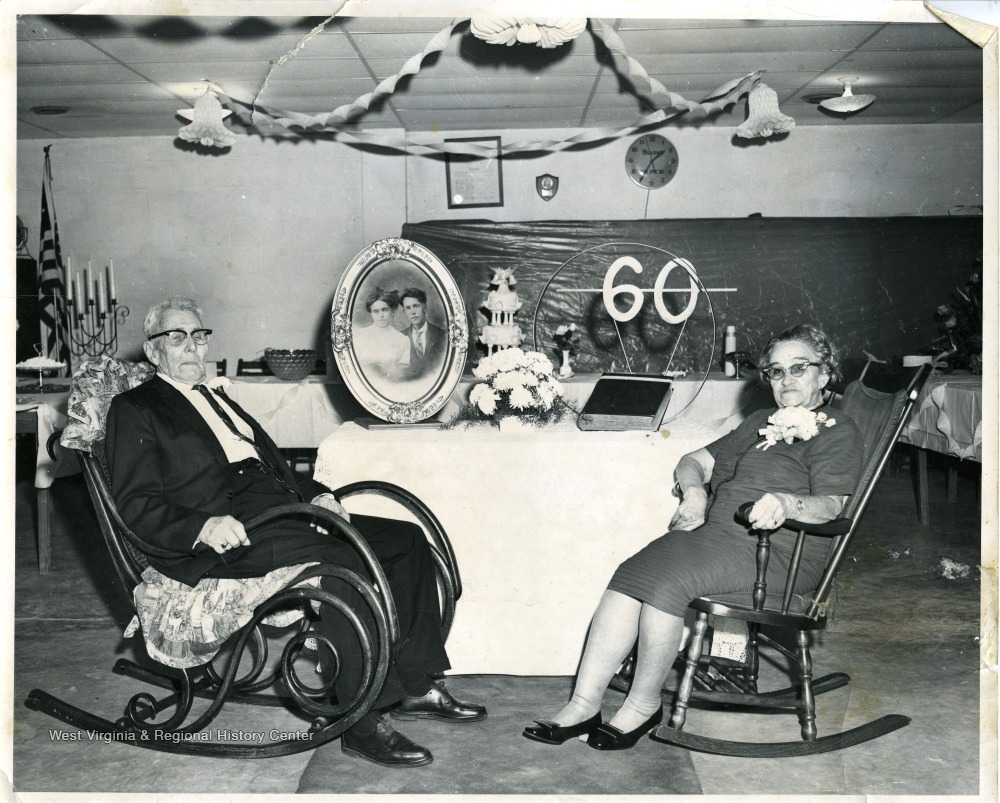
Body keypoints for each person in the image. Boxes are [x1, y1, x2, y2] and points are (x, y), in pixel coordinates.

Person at [105, 296, 486, 768]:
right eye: (176, 337)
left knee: (405, 540)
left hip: (276, 510)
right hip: (231, 532)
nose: (191, 347)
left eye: (199, 336)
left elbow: (272, 468)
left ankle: (414, 684)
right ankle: (358, 719)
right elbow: (136, 503)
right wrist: (201, 526)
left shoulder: (219, 397)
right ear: (153, 350)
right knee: (347, 563)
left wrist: (319, 493)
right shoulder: (135, 407)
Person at [523, 324, 864, 751]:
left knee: (670, 585)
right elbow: (693, 460)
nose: (786, 380)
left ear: (825, 374)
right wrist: (696, 492)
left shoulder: (837, 429)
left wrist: (786, 502)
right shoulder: (761, 421)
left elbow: (832, 506)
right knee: (630, 575)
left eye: (799, 369)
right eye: (776, 372)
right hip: (719, 535)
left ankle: (643, 705)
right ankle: (583, 704)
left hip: (777, 552)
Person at [352, 288, 410, 381]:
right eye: (376, 311)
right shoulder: (359, 335)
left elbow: (401, 372)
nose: (381, 315)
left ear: (392, 311)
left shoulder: (402, 339)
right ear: (371, 313)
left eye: (384, 310)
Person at [399, 287, 447, 378]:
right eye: (408, 308)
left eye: (416, 306)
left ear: (424, 308)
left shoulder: (441, 335)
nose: (413, 312)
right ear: (404, 312)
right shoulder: (399, 337)